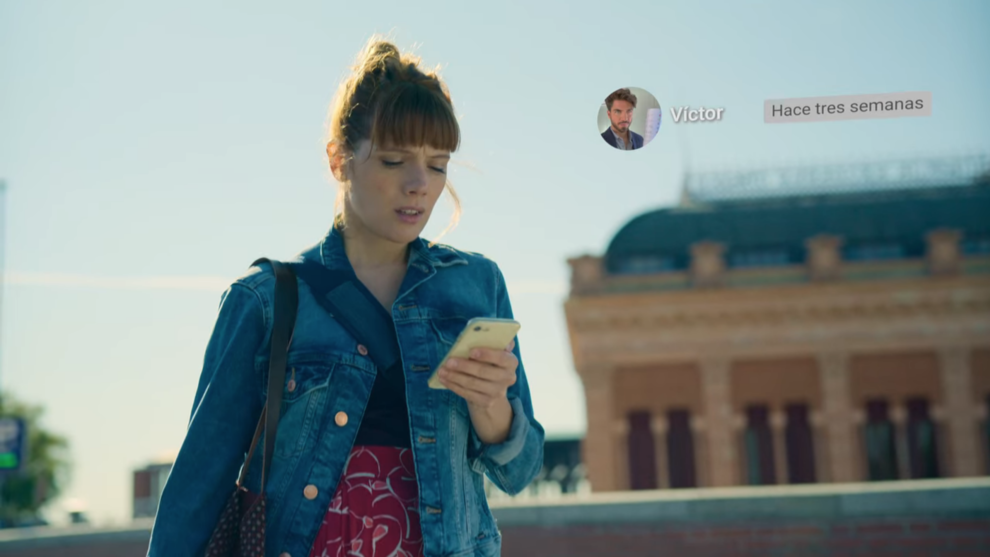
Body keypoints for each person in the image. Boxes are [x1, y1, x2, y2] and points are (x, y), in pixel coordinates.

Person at [147, 37, 545, 557]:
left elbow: (519, 471)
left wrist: (491, 405)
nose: (420, 185)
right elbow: (198, 486)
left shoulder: (476, 284)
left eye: (439, 164)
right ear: (339, 160)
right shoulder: (266, 299)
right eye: (395, 160)